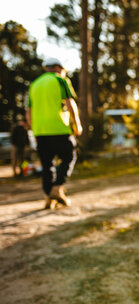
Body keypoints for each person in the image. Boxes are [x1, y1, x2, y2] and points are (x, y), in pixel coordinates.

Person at [26, 57, 82, 209]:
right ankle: (57, 188)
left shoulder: (34, 84)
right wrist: (77, 124)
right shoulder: (60, 80)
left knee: (47, 165)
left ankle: (49, 198)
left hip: (40, 131)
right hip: (59, 128)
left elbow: (28, 111)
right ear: (58, 68)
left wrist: (34, 130)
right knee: (69, 156)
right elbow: (70, 103)